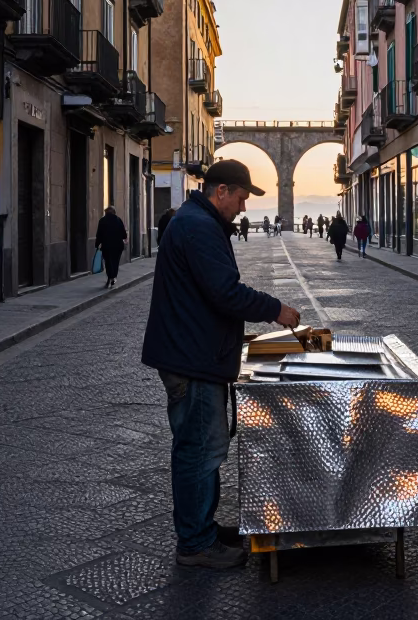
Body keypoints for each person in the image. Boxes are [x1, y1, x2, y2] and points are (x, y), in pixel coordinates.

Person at [141, 159, 302, 570]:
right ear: (222, 191)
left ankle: (203, 528)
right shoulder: (197, 227)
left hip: (195, 352)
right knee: (198, 450)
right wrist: (276, 310)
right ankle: (195, 544)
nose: (244, 209)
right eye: (242, 199)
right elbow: (225, 292)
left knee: (205, 447)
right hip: (191, 358)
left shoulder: (199, 221)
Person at [94, 205, 128, 288]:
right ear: (114, 212)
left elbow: (99, 234)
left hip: (106, 246)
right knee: (115, 262)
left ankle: (110, 277)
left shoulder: (102, 221)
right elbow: (124, 234)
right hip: (117, 246)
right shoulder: (118, 220)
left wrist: (97, 244)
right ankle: (113, 277)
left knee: (108, 262)